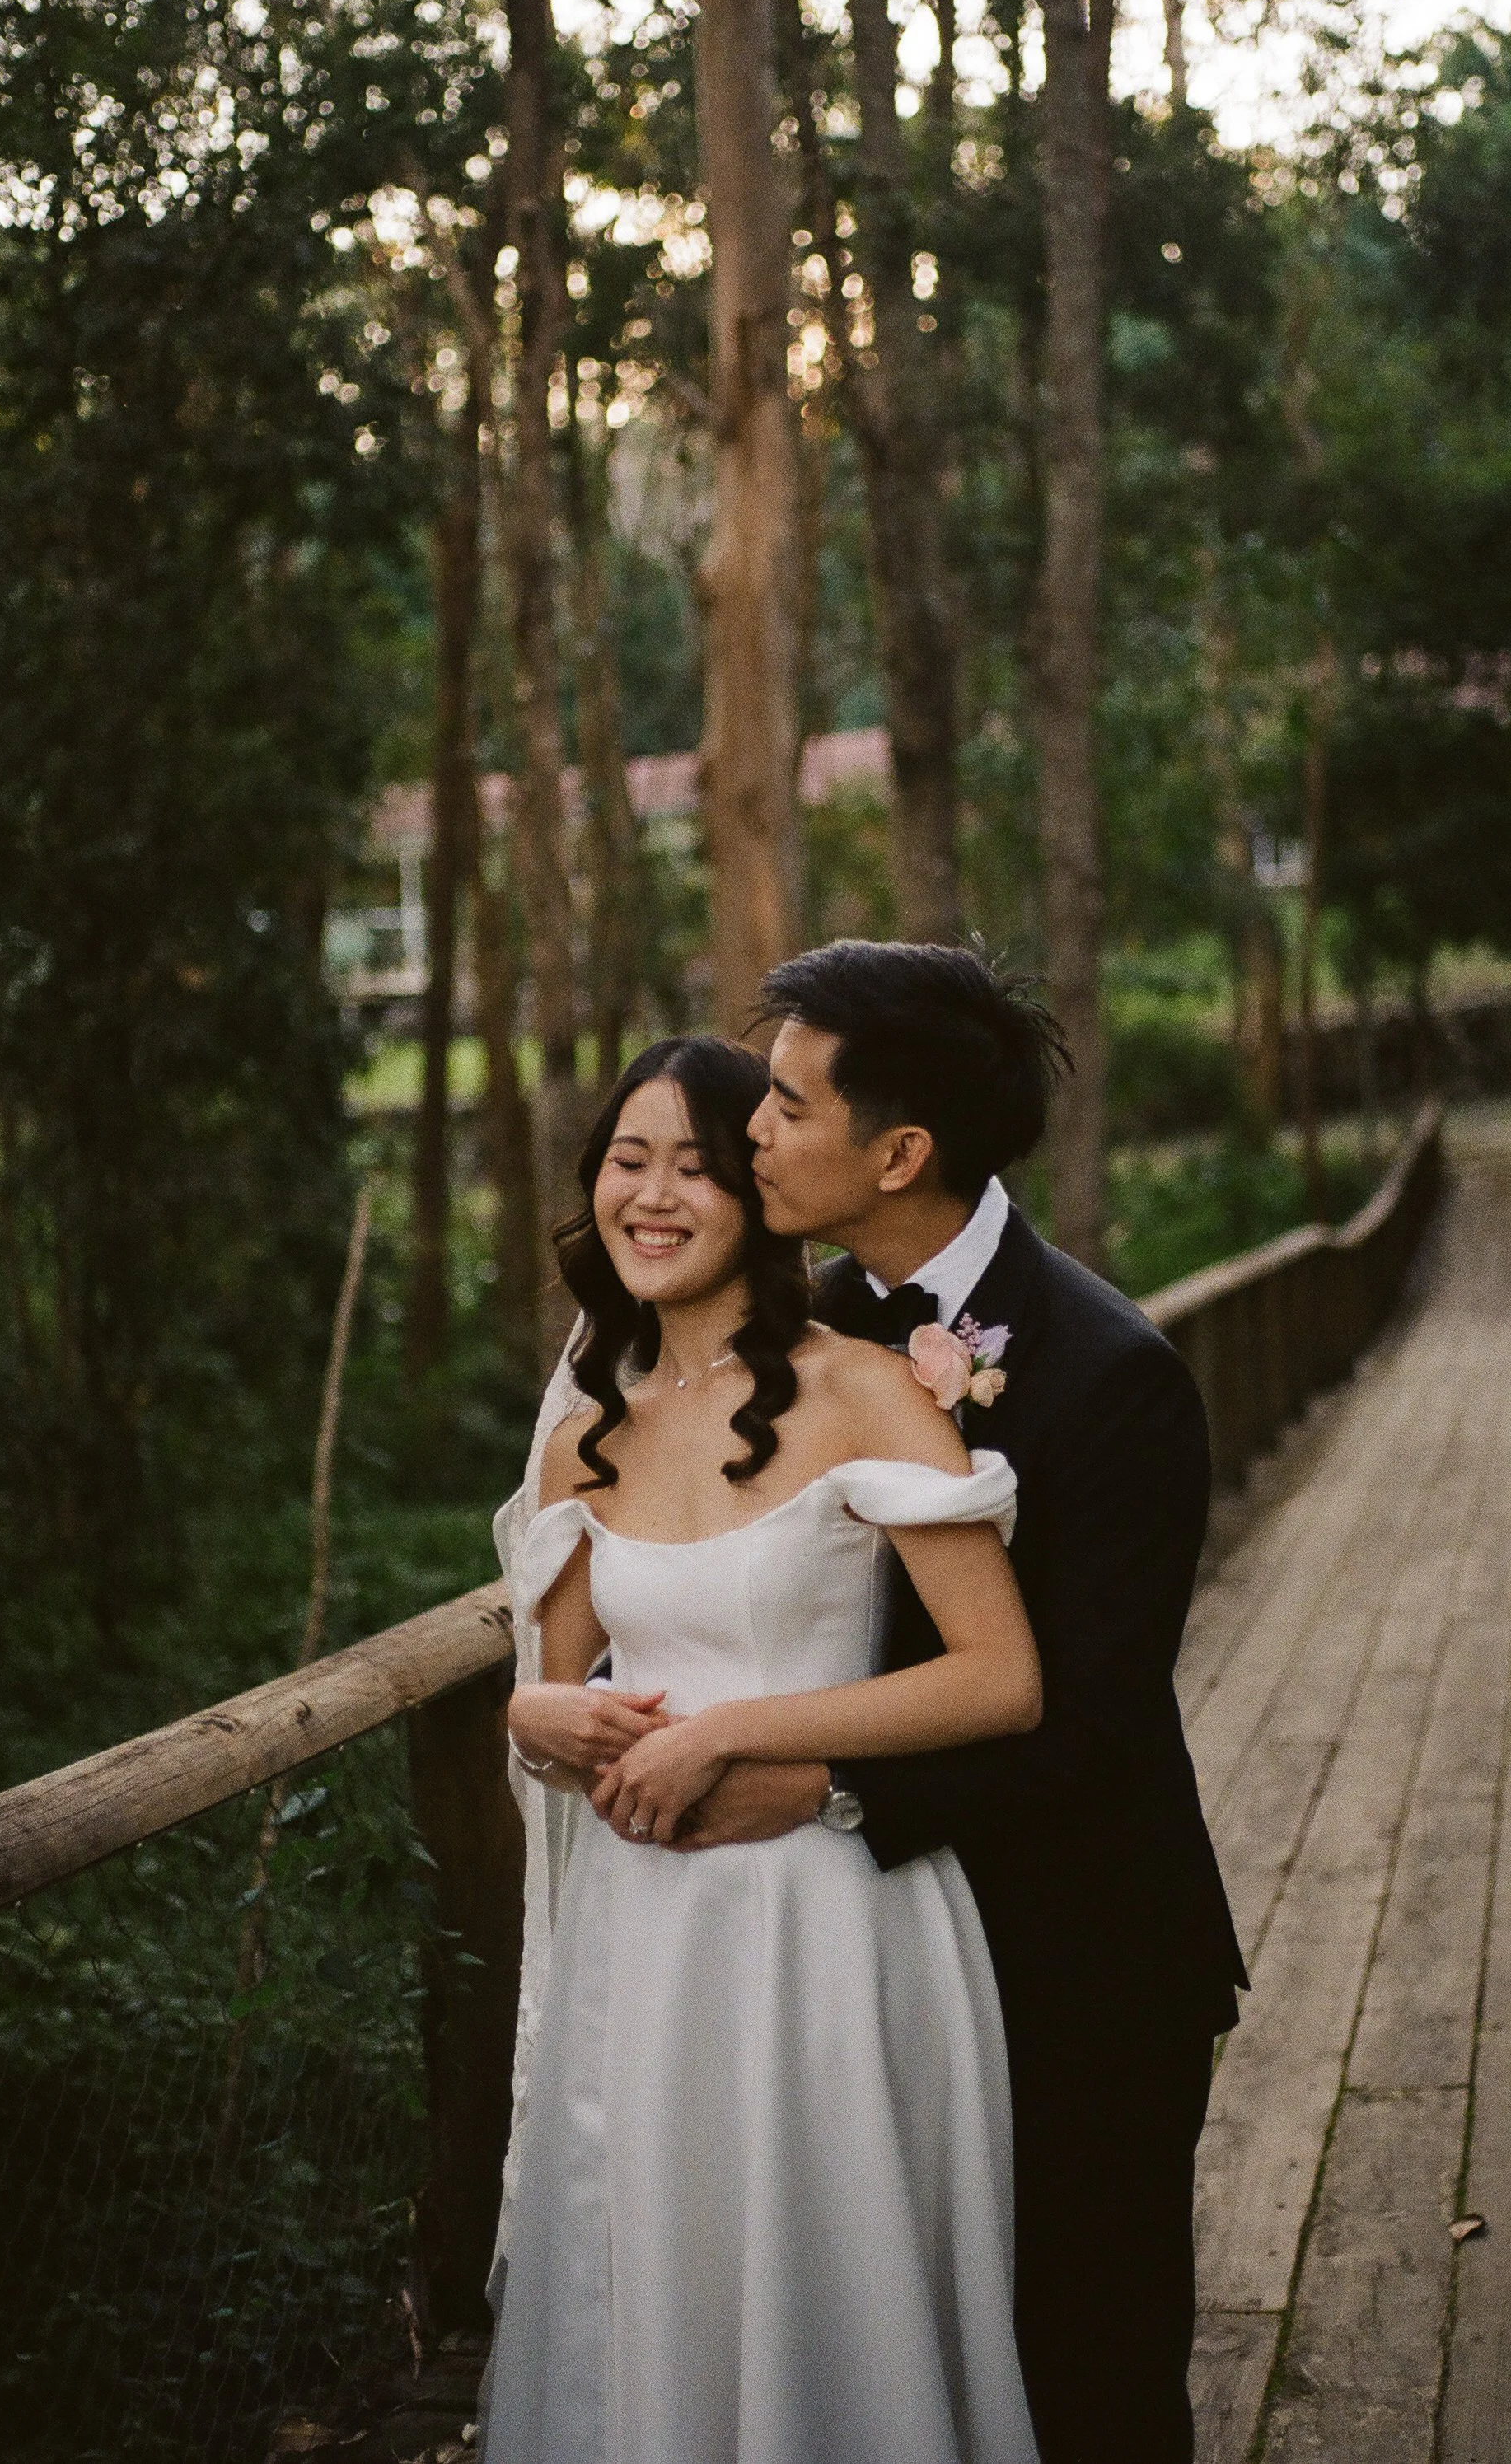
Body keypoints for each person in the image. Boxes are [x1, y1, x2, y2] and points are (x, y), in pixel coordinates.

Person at [656, 942, 1249, 2464]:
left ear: (899, 1150)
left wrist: (830, 1788)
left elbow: (1092, 1719)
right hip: (856, 1965)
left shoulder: (1112, 1376)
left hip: (1079, 1961)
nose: (752, 1135)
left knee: (1088, 2368)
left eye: (785, 1106)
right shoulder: (799, 1330)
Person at [484, 1033, 1046, 2464]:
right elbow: (561, 1709)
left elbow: (999, 1678)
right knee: (651, 2297)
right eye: (627, 1159)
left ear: (755, 1191)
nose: (652, 1195)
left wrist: (734, 1728)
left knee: (823, 2307)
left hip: (824, 1931)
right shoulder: (583, 1433)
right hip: (642, 1945)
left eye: (693, 1163)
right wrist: (528, 1715)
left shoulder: (861, 1389)